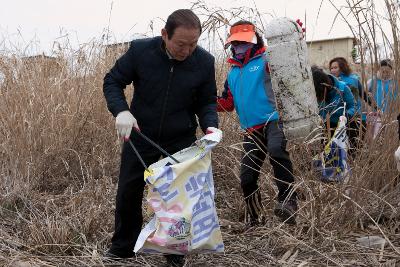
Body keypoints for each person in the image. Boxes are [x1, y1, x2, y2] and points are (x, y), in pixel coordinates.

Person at [103, 9, 218, 266]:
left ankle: (175, 252)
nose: (186, 50)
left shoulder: (204, 62)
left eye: (193, 44)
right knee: (129, 191)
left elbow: (207, 101)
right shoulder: (141, 51)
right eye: (180, 44)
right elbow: (112, 81)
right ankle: (123, 246)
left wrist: (211, 127)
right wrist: (121, 111)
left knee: (177, 199)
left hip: (180, 139)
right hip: (140, 134)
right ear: (165, 34)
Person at [217, 20, 298, 226]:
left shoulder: (266, 60)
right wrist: (203, 101)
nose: (239, 47)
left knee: (276, 150)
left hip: (273, 120)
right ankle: (255, 218)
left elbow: (291, 67)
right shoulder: (233, 73)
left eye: (244, 42)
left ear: (254, 41)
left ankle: (288, 202)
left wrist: (295, 40)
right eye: (235, 43)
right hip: (251, 130)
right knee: (247, 177)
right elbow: (227, 104)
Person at [311, 66, 356, 138]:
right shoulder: (311, 91)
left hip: (344, 127)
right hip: (325, 130)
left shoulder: (343, 88)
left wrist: (346, 116)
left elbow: (353, 106)